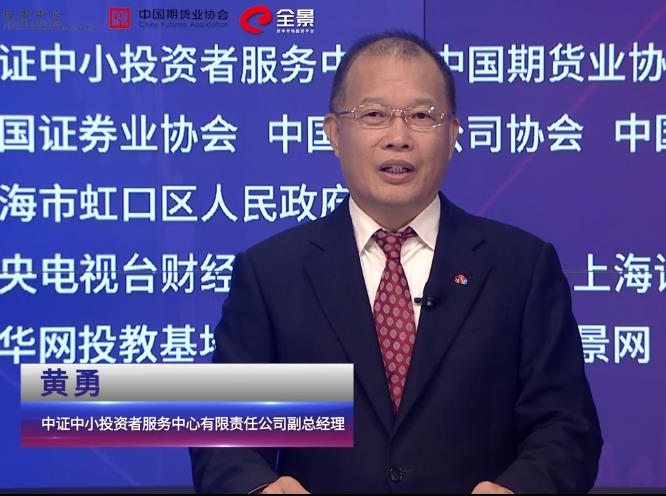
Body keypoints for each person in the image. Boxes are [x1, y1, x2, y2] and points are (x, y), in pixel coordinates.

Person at [189, 31, 602, 494]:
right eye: (374, 115)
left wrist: (518, 489)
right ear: (334, 133)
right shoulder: (271, 274)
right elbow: (224, 436)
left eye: (422, 116)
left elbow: (567, 428)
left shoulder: (521, 268)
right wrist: (258, 487)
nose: (398, 137)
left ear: (452, 134)